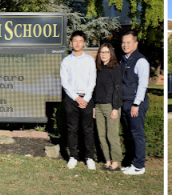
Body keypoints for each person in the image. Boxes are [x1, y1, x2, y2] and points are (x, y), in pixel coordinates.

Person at [61, 31, 98, 170]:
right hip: (71, 98)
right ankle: (73, 157)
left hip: (87, 98)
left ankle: (89, 158)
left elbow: (92, 80)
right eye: (75, 40)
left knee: (88, 129)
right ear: (71, 43)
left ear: (84, 43)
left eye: (80, 40)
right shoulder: (66, 61)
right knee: (72, 129)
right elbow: (65, 82)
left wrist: (85, 99)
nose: (77, 43)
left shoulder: (89, 60)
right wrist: (76, 98)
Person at [120, 30, 150, 175]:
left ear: (135, 43)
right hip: (126, 102)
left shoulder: (141, 61)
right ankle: (131, 163)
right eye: (123, 42)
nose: (125, 45)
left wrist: (136, 104)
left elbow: (143, 85)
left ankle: (139, 166)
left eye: (128, 42)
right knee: (129, 134)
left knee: (137, 134)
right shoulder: (123, 60)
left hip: (136, 103)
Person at [92, 42, 123, 171]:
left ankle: (116, 162)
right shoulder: (98, 68)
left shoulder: (115, 68)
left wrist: (115, 108)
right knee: (101, 136)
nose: (103, 55)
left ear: (111, 54)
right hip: (98, 106)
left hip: (110, 106)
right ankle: (107, 161)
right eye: (101, 52)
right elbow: (96, 88)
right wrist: (94, 106)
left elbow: (117, 89)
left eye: (106, 52)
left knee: (112, 135)